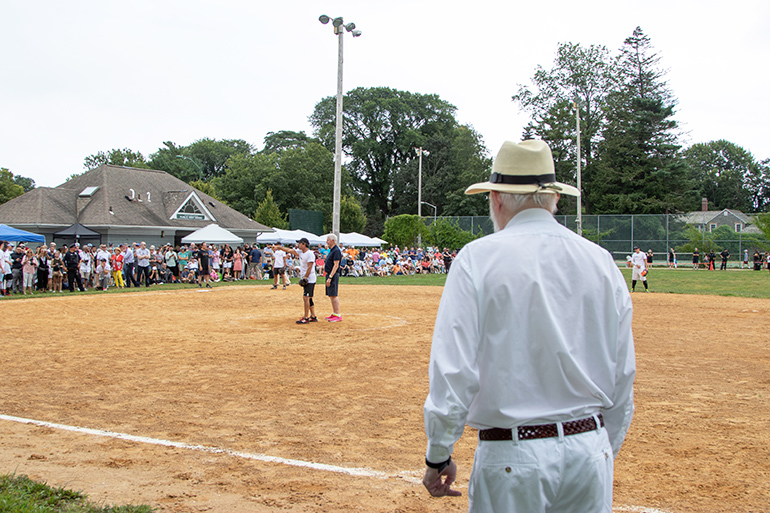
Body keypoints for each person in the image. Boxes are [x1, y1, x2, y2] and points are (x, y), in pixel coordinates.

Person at [422, 139, 635, 512]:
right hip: (590, 448)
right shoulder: (601, 262)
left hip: (512, 457)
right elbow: (623, 374)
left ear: (497, 199)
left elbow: (454, 370)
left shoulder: (478, 259)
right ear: (554, 200)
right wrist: (601, 449)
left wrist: (438, 454)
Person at [279, 238, 318, 324]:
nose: (298, 245)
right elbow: (289, 250)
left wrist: (305, 278)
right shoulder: (301, 252)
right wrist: (280, 248)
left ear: (304, 244)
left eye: (300, 243)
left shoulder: (310, 254)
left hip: (310, 279)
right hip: (306, 278)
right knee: (309, 298)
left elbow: (310, 267)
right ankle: (313, 316)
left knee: (306, 298)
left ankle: (306, 317)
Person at [324, 234, 342, 322]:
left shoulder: (336, 251)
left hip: (333, 275)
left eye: (328, 240)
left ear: (333, 241)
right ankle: (334, 313)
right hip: (329, 274)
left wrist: (330, 277)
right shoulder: (332, 250)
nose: (326, 242)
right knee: (331, 295)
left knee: (334, 294)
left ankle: (338, 314)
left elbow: (336, 265)